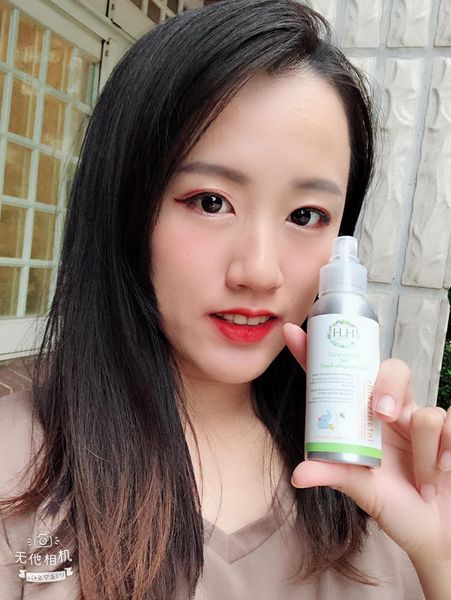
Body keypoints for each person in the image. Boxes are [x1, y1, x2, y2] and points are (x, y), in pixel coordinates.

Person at [0, 1, 450, 598]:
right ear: (126, 204)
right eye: (211, 202)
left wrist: (439, 557)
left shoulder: (377, 484)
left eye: (306, 215)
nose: (260, 272)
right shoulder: (16, 471)